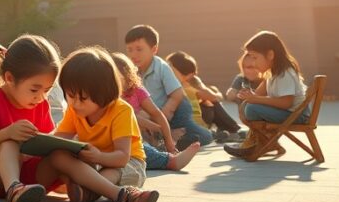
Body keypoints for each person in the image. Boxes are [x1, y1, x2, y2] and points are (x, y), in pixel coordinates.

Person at [0, 36, 159, 202]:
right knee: (9, 144)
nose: (41, 97)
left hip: (28, 177)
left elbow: (49, 143)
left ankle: (122, 195)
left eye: (47, 90)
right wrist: (7, 133)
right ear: (9, 78)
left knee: (59, 154)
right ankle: (14, 191)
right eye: (34, 89)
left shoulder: (40, 103)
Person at [55, 47, 160, 202]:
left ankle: (90, 193)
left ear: (104, 93)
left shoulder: (121, 111)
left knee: (112, 172)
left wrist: (99, 156)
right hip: (95, 163)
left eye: (83, 98)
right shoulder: (74, 110)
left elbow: (122, 157)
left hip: (129, 163)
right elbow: (59, 139)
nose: (75, 103)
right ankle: (86, 192)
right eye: (70, 95)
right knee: (61, 158)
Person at [124, 25, 213, 148]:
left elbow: (177, 93)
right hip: (151, 112)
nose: (133, 54)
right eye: (129, 50)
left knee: (200, 135)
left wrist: (165, 115)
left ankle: (202, 135)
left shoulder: (161, 67)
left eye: (139, 49)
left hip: (175, 110)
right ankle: (170, 137)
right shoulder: (130, 70)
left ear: (154, 49)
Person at [224, 31, 309, 159]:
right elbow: (257, 95)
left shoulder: (285, 73)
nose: (253, 63)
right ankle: (262, 142)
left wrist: (255, 99)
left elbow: (286, 102)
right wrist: (249, 95)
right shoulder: (271, 74)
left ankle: (259, 143)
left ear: (270, 55)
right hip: (289, 113)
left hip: (296, 115)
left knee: (252, 109)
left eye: (255, 57)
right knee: (249, 106)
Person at [111, 52, 200, 171]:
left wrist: (169, 143)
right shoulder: (109, 94)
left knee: (144, 145)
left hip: (139, 137)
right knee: (139, 150)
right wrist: (149, 124)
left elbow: (157, 114)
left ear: (129, 76)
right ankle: (170, 161)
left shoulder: (137, 90)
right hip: (118, 140)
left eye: (121, 77)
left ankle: (168, 147)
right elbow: (125, 116)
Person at [166, 51, 243, 143]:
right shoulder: (182, 87)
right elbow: (215, 97)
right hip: (183, 121)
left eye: (171, 69)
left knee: (209, 101)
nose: (167, 71)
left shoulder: (190, 86)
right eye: (167, 67)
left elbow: (215, 97)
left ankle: (228, 130)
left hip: (193, 120)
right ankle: (229, 129)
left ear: (188, 75)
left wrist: (204, 90)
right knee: (211, 102)